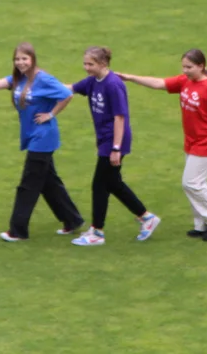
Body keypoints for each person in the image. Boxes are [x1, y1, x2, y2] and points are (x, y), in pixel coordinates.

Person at [0, 43, 85, 242]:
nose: (21, 62)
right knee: (48, 182)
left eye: (24, 59)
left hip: (43, 138)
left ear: (33, 59)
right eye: (17, 59)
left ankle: (18, 231)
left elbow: (67, 94)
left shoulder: (43, 79)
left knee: (28, 185)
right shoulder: (18, 79)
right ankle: (72, 220)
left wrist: (51, 114)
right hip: (32, 136)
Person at [120, 49, 207, 242]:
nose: (185, 71)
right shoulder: (185, 81)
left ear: (201, 66)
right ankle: (202, 224)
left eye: (189, 67)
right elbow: (159, 83)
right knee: (198, 182)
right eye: (183, 67)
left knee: (190, 182)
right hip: (191, 140)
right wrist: (131, 77)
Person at [67, 47, 160, 246]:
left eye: (90, 64)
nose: (86, 68)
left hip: (114, 140)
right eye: (85, 63)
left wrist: (116, 148)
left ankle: (97, 233)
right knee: (113, 183)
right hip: (104, 139)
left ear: (103, 64)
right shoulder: (93, 81)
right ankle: (146, 217)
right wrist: (43, 87)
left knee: (99, 184)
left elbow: (120, 117)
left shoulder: (113, 85)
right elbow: (70, 88)